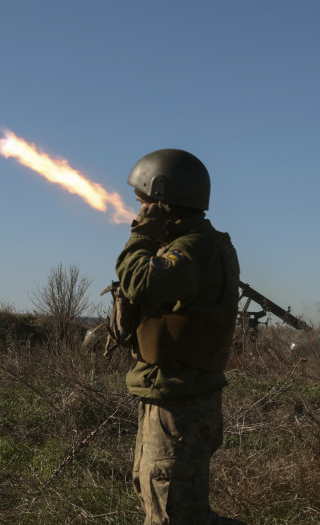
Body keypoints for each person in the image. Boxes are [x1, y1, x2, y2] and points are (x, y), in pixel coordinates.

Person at [115, 149, 243, 525]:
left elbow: (141, 281)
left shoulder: (194, 249)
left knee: (172, 512)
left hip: (180, 402)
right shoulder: (189, 245)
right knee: (153, 493)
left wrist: (140, 237)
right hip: (168, 393)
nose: (137, 212)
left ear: (161, 202)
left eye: (143, 204)